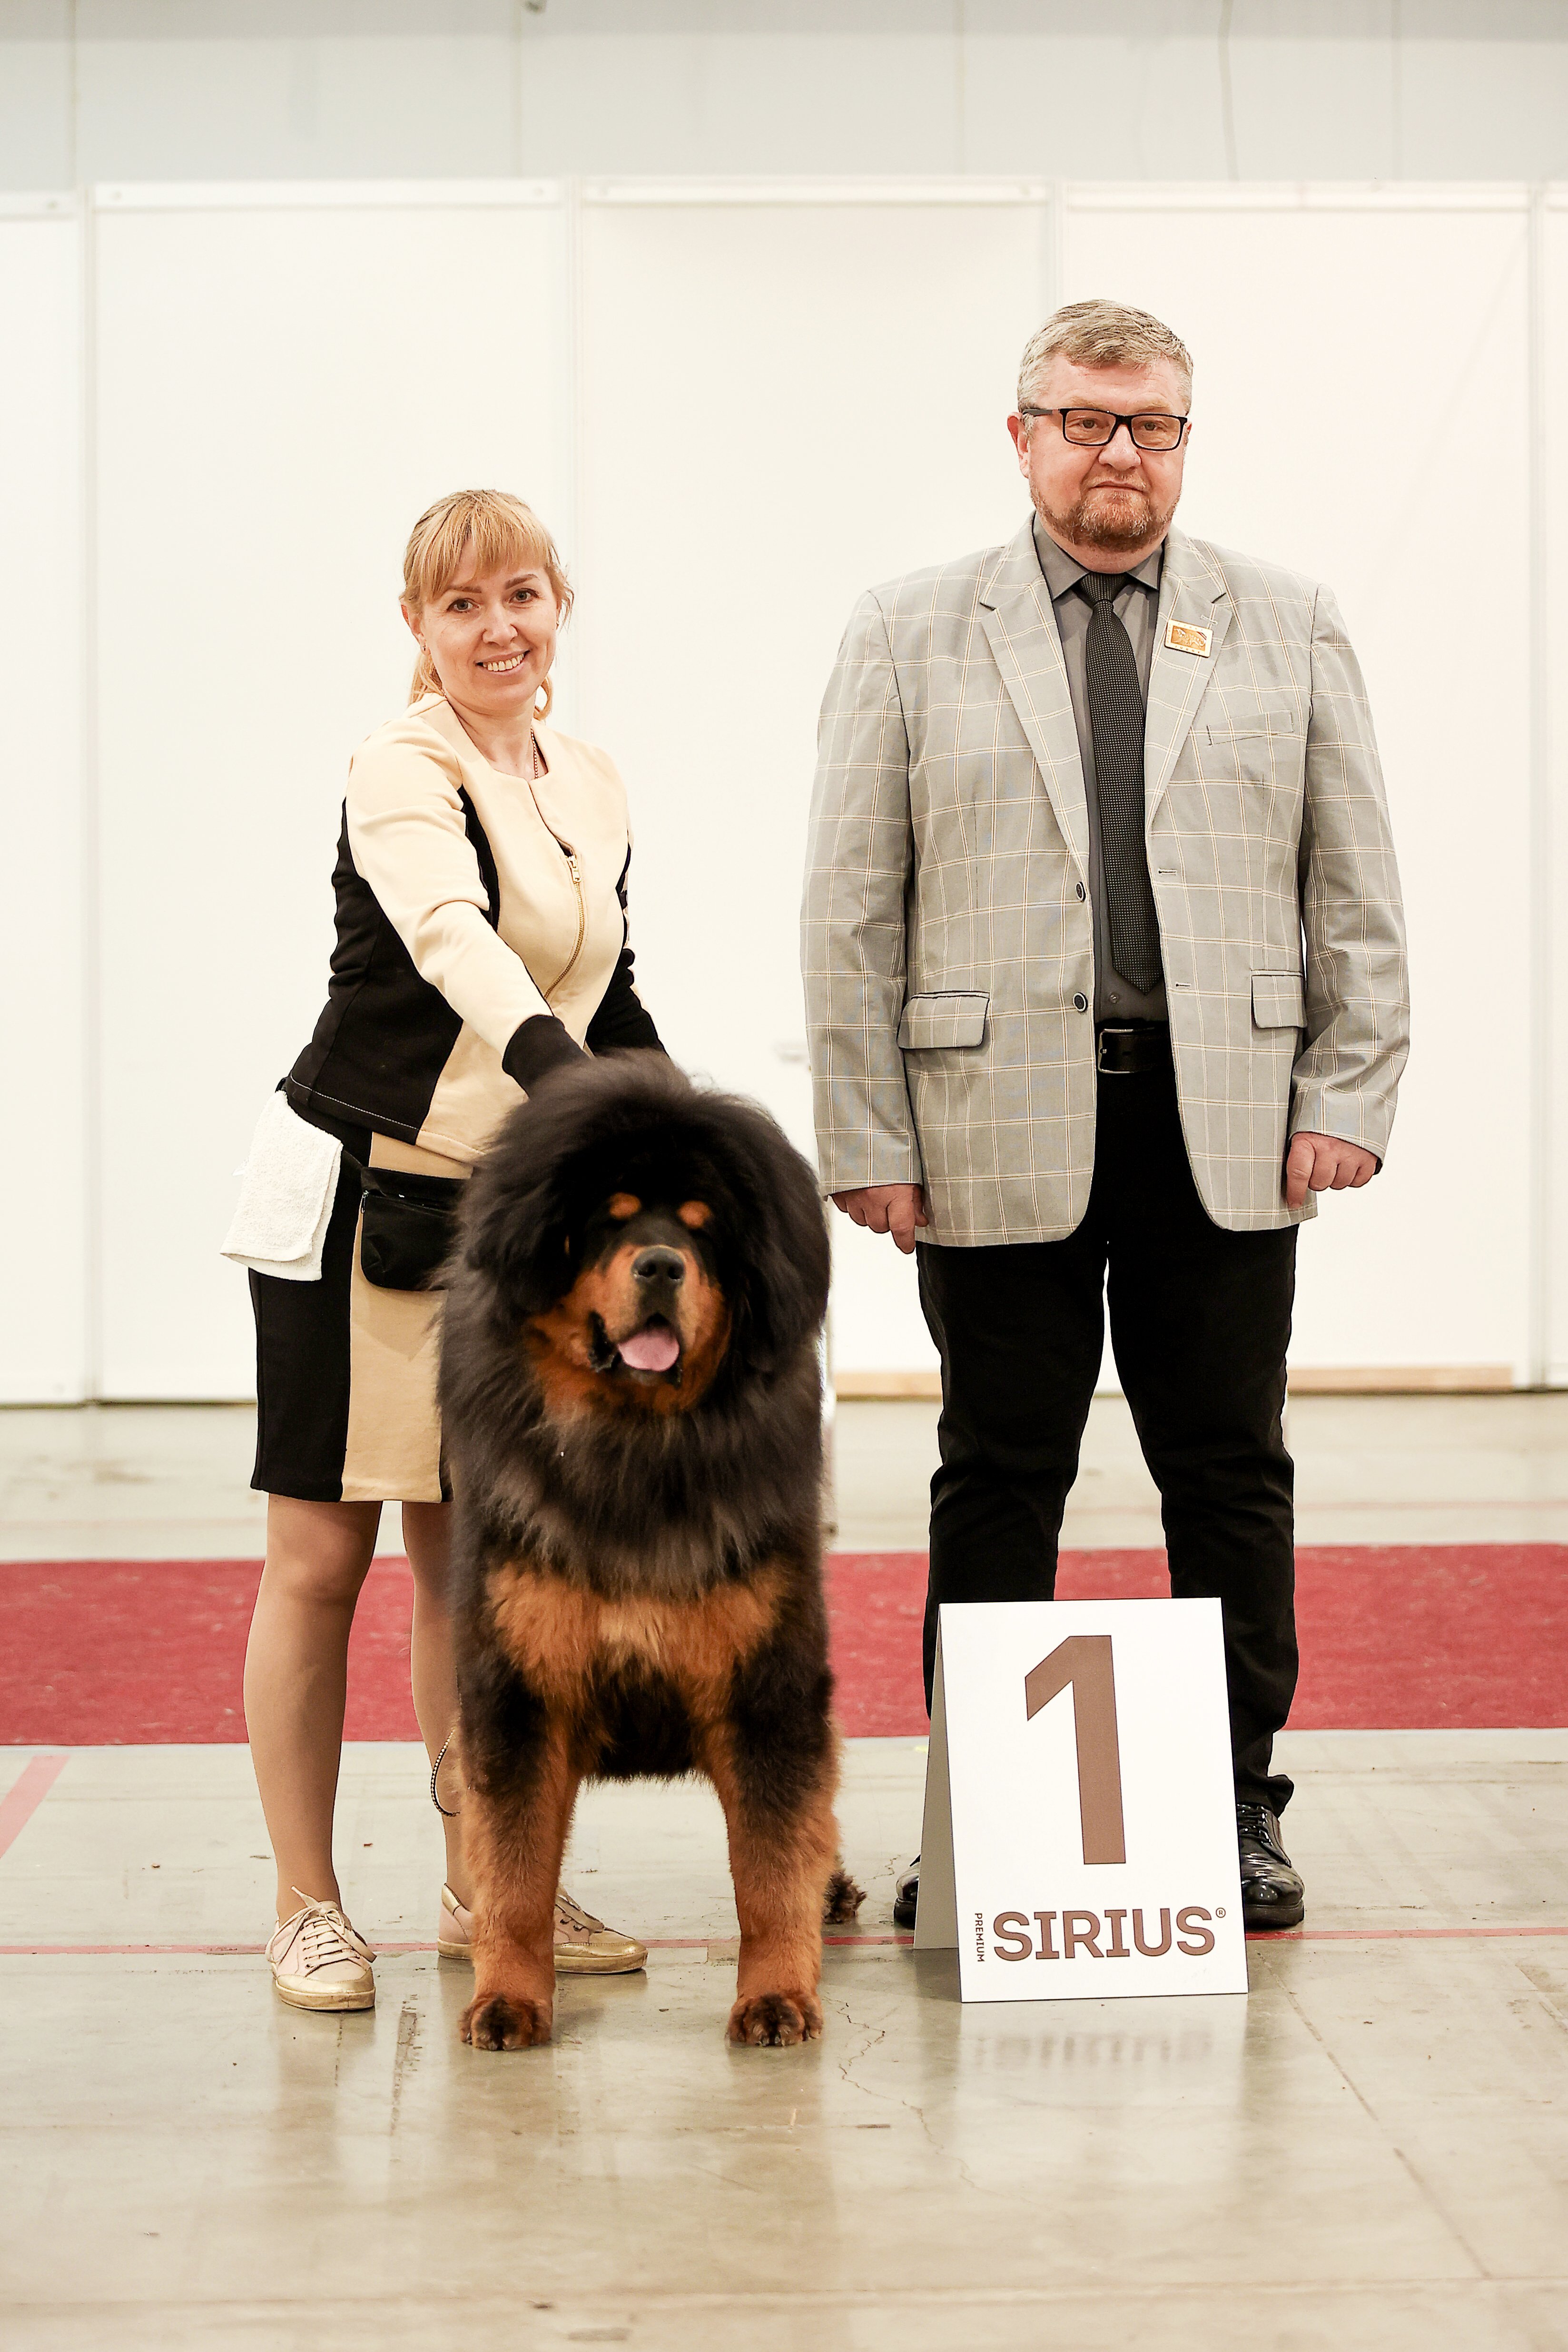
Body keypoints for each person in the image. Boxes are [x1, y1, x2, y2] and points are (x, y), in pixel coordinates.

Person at [801, 300, 1409, 1933]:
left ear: (1185, 440)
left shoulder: (1288, 620)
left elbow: (1356, 888)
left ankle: (1239, 1803)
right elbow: (850, 905)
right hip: (991, 1121)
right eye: (1086, 421)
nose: (1120, 452)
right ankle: (981, 1816)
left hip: (1230, 1123)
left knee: (1230, 1472)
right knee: (999, 1473)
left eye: (1152, 424)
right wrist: (867, 1133)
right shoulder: (909, 628)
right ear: (1024, 437)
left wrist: (1349, 1088)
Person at [240, 488, 661, 2010]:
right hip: (360, 1190)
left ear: (560, 609)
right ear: (416, 626)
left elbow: (609, 985)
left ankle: (486, 1882)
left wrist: (684, 1140)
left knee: (471, 1563)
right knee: (320, 1559)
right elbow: (450, 938)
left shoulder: (589, 776)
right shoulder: (399, 764)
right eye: (463, 604)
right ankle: (305, 1905)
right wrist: (572, 1087)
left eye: (522, 595)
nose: (498, 629)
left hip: (499, 1206)